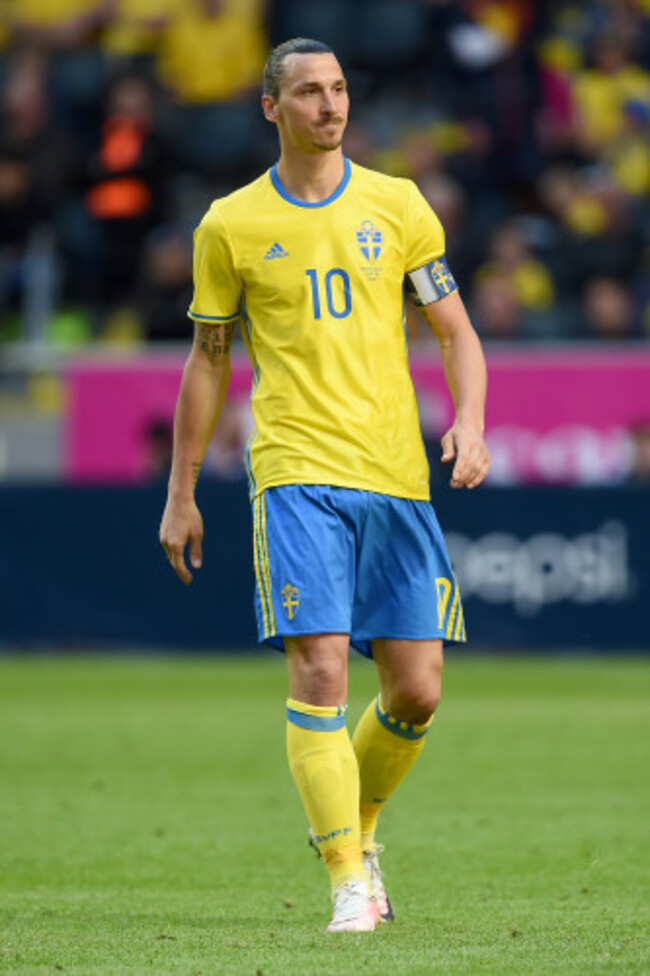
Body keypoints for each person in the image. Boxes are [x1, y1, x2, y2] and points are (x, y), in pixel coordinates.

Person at [159, 38, 490, 934]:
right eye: (308, 92)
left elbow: (456, 331)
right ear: (272, 108)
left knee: (418, 688)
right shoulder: (230, 224)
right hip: (295, 471)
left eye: (338, 89)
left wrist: (470, 418)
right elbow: (208, 358)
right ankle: (348, 881)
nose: (329, 105)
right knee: (322, 666)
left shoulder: (399, 204)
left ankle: (359, 832)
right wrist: (182, 490)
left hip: (395, 473)